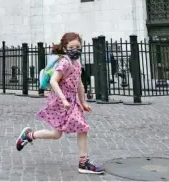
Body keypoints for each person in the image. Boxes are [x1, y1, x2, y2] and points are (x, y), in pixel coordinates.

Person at [15, 32, 104, 175]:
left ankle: (30, 136)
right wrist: (63, 99)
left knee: (67, 132)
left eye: (78, 46)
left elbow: (79, 83)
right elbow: (53, 81)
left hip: (72, 102)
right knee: (68, 131)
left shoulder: (77, 63)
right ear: (64, 48)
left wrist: (83, 101)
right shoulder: (64, 62)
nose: (75, 49)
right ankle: (83, 163)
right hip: (60, 102)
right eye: (71, 46)